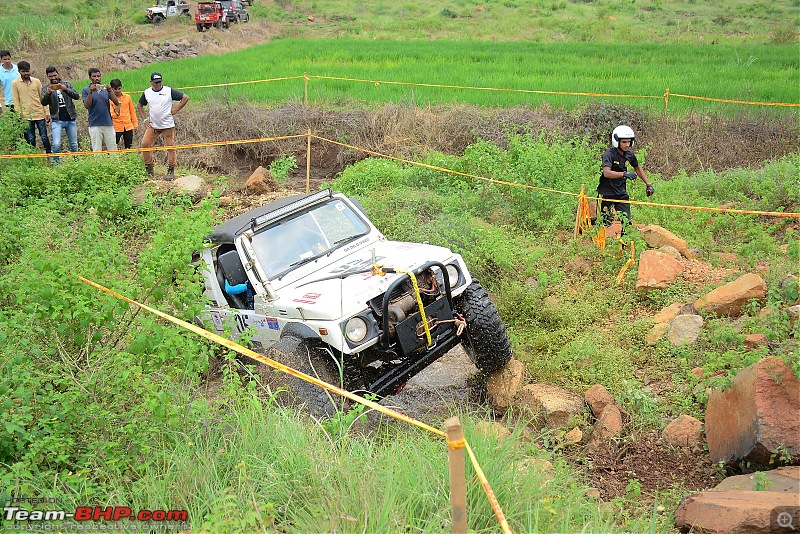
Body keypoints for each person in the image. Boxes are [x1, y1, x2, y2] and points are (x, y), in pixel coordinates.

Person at [597, 125, 654, 232]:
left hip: (621, 193)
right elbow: (607, 173)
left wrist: (648, 184)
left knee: (626, 222)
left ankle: (623, 246)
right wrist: (624, 174)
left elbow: (637, 168)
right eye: (624, 142)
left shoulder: (629, 155)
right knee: (603, 222)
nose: (627, 145)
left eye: (629, 142)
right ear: (617, 141)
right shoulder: (609, 154)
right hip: (606, 193)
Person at [137, 72, 189, 180]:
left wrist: (176, 109)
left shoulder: (168, 91)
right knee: (145, 144)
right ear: (151, 83)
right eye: (156, 82)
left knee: (170, 147)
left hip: (167, 124)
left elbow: (185, 98)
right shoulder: (147, 93)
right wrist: (144, 119)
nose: (158, 84)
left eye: (159, 82)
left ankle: (171, 170)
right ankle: (149, 168)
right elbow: (140, 105)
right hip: (153, 125)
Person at [41, 66, 80, 164]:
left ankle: (77, 162)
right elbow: (43, 102)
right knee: (56, 144)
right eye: (51, 76)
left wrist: (66, 89)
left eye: (55, 75)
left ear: (58, 74)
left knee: (74, 144)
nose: (53, 78)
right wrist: (48, 94)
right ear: (47, 76)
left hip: (70, 118)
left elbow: (76, 96)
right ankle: (56, 163)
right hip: (56, 119)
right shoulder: (46, 88)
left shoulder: (66, 84)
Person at [11, 61, 52, 155]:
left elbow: (43, 97)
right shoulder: (15, 83)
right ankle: (33, 157)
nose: (25, 73)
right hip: (26, 116)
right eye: (23, 71)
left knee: (44, 137)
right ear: (19, 71)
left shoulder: (36, 81)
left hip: (39, 113)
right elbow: (16, 101)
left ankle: (50, 156)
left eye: (27, 71)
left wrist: (47, 112)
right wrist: (19, 115)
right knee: (31, 138)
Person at [81, 67, 119, 153]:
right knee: (97, 149)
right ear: (90, 77)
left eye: (98, 76)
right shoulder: (86, 90)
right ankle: (98, 166)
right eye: (94, 76)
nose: (96, 78)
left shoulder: (105, 89)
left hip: (107, 122)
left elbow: (116, 102)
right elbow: (87, 106)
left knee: (113, 149)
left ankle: (115, 165)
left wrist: (110, 91)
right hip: (94, 124)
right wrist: (91, 92)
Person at [109, 79, 138, 149]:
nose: (118, 91)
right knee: (113, 146)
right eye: (115, 89)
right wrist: (116, 113)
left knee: (129, 147)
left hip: (128, 126)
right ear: (112, 89)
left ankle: (129, 159)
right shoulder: (109, 99)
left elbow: (132, 112)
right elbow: (111, 114)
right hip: (116, 127)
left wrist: (135, 124)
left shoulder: (127, 97)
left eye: (119, 88)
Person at [0, 50, 19, 114]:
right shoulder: (0, 71)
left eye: (8, 59)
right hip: (10, 102)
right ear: (1, 59)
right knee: (14, 122)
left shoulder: (17, 68)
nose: (7, 61)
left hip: (22, 100)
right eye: (5, 59)